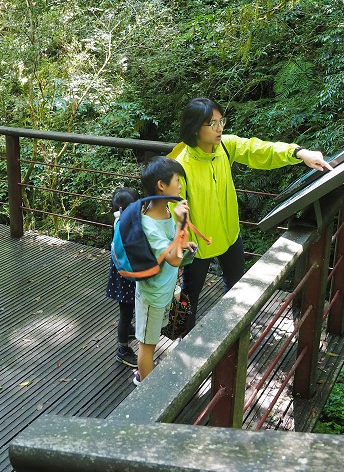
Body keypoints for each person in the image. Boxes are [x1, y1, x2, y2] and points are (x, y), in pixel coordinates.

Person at [171, 97, 331, 332]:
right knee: (189, 297)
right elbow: (174, 211)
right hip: (198, 246)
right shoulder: (180, 165)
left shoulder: (225, 146)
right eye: (212, 124)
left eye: (221, 121)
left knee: (237, 291)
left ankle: (233, 337)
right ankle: (183, 344)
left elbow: (260, 149)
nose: (220, 128)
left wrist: (299, 153)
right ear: (195, 128)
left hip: (230, 236)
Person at [133, 157, 191, 385]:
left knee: (153, 340)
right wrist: (180, 223)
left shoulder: (166, 211)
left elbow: (171, 248)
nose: (179, 185)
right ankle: (145, 392)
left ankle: (143, 374)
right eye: (177, 180)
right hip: (152, 295)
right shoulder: (149, 223)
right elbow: (174, 260)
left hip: (165, 289)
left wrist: (184, 243)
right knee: (147, 346)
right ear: (161, 185)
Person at [106, 187, 140, 368]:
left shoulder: (118, 220)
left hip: (120, 273)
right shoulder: (129, 225)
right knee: (125, 313)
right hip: (127, 275)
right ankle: (122, 349)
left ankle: (127, 330)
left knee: (126, 310)